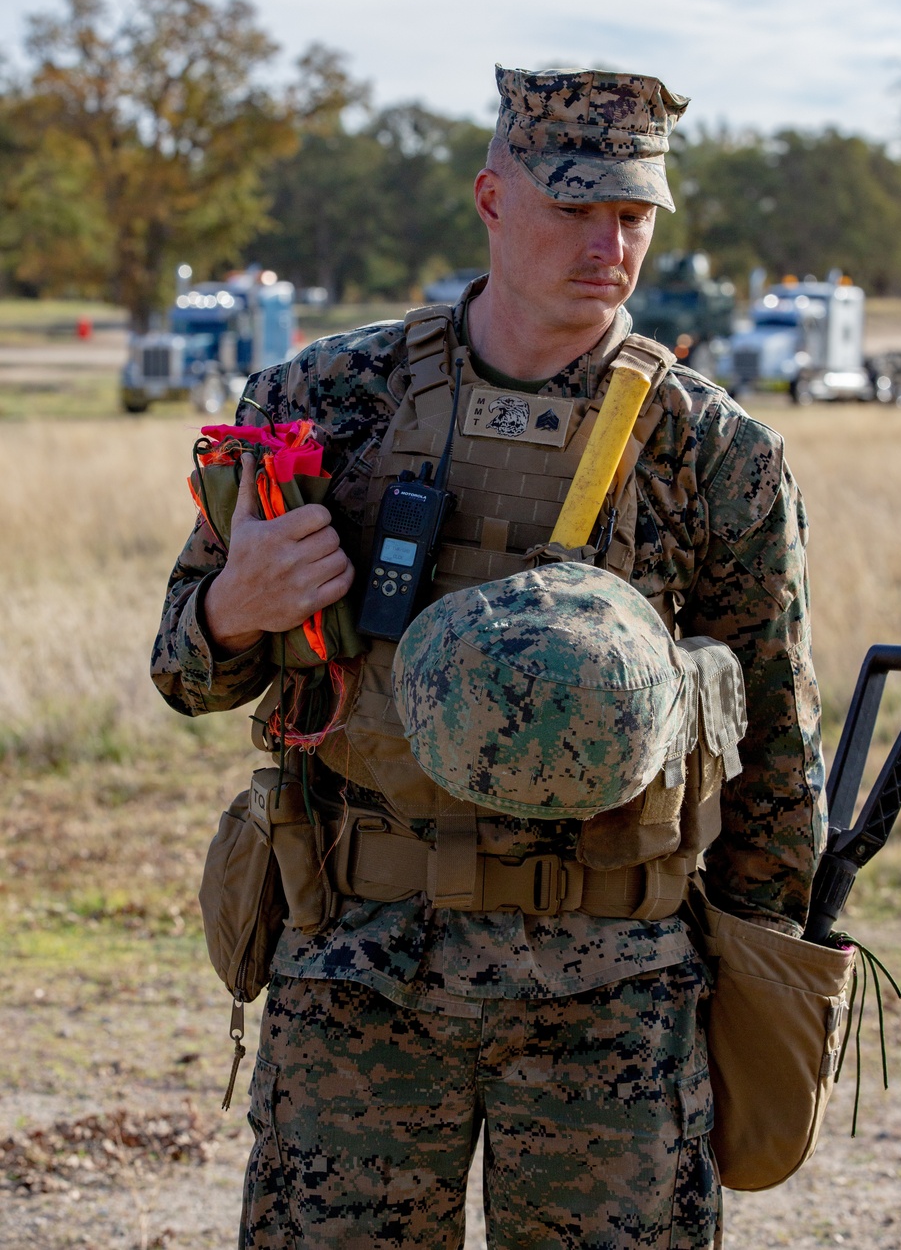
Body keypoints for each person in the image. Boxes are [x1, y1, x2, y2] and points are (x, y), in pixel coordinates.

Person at [152, 66, 825, 1250]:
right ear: (492, 200)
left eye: (633, 216)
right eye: (575, 207)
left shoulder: (714, 452)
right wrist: (234, 610)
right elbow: (184, 672)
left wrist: (761, 971)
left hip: (613, 989)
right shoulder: (326, 401)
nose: (607, 243)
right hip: (361, 968)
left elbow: (775, 746)